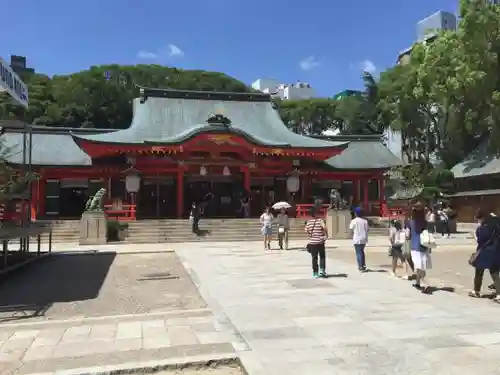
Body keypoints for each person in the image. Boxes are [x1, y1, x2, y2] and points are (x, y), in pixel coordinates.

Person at [468, 209, 500, 301]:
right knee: (495, 273)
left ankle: (476, 291)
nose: (478, 221)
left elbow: (481, 239)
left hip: (485, 251)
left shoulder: (484, 227)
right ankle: (499, 294)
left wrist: (476, 235)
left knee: (479, 271)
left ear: (482, 218)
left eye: (478, 219)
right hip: (496, 250)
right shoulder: (496, 223)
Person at [408, 203, 432, 293]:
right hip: (424, 245)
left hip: (415, 245)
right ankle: (417, 282)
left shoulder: (411, 222)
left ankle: (425, 283)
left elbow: (407, 235)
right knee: (421, 265)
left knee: (418, 266)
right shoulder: (425, 222)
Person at [304, 208, 328, 278]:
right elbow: (325, 227)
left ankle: (315, 273)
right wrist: (326, 235)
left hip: (312, 242)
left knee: (314, 258)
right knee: (322, 256)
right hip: (320, 241)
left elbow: (306, 230)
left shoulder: (309, 222)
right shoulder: (320, 220)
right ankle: (322, 270)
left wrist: (311, 234)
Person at [349, 207, 369, 272]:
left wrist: (351, 235)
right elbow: (367, 229)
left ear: (355, 213)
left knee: (358, 252)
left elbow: (351, 229)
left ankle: (360, 266)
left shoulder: (353, 221)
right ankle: (363, 265)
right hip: (364, 238)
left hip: (357, 238)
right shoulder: (365, 221)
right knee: (362, 251)